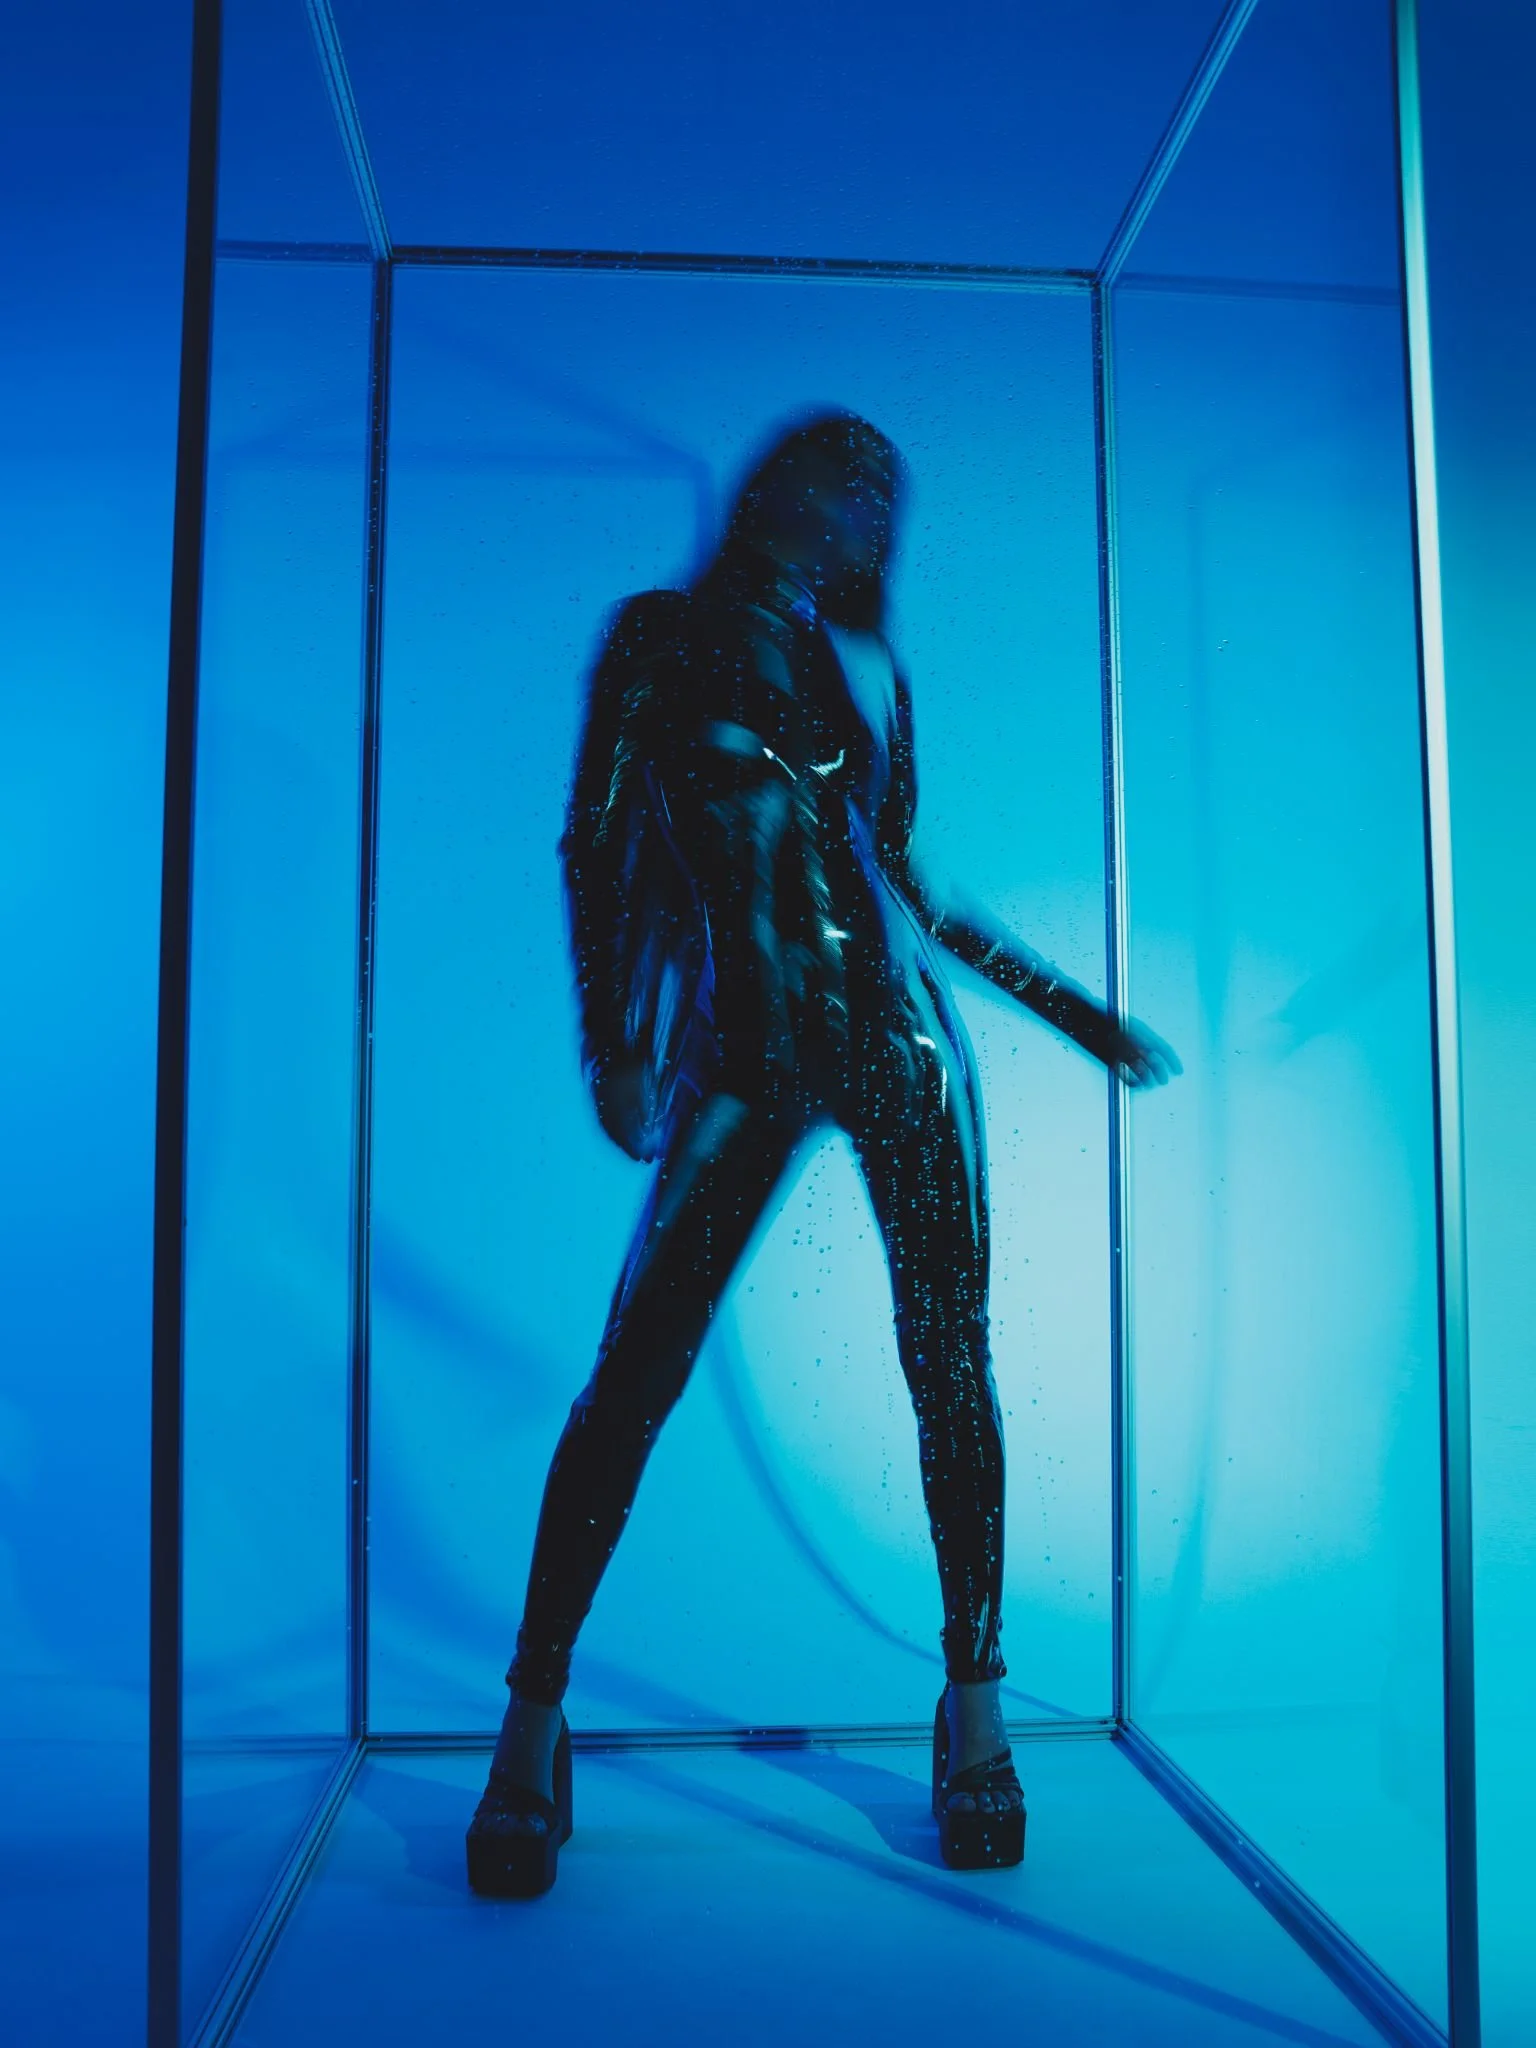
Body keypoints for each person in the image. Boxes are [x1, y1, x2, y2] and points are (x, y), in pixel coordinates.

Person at [466, 411, 1178, 1897]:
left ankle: (975, 1700)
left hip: (901, 1044)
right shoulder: (659, 638)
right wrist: (611, 1043)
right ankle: (530, 1715)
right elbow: (596, 841)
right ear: (769, 482)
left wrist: (1074, 1012)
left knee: (949, 1362)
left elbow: (910, 883)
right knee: (635, 1369)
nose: (845, 505)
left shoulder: (867, 669)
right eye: (827, 474)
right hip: (745, 1051)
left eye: (872, 494)